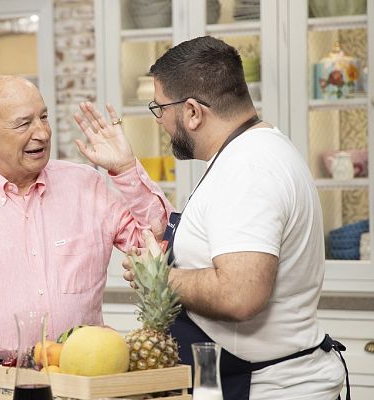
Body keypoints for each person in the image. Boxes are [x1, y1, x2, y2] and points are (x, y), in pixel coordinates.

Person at [0, 75, 172, 397]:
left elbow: (160, 244)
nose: (41, 132)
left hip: (83, 377)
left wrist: (126, 170)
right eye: (23, 123)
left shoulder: (88, 187)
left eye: (43, 117)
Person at [120, 36, 348, 400]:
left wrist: (158, 276)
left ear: (193, 112)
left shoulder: (248, 170)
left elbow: (240, 294)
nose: (160, 120)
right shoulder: (253, 151)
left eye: (160, 107)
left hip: (270, 389)